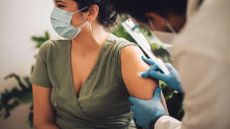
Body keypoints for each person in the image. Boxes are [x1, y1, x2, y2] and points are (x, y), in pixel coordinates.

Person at [31, 0, 159, 129]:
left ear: (91, 12)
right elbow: (42, 122)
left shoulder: (126, 55)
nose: (54, 13)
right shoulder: (49, 51)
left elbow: (156, 121)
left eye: (60, 5)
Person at [111, 0, 230, 129]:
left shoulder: (195, 47)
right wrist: (185, 83)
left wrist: (157, 120)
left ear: (154, 18)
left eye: (146, 27)